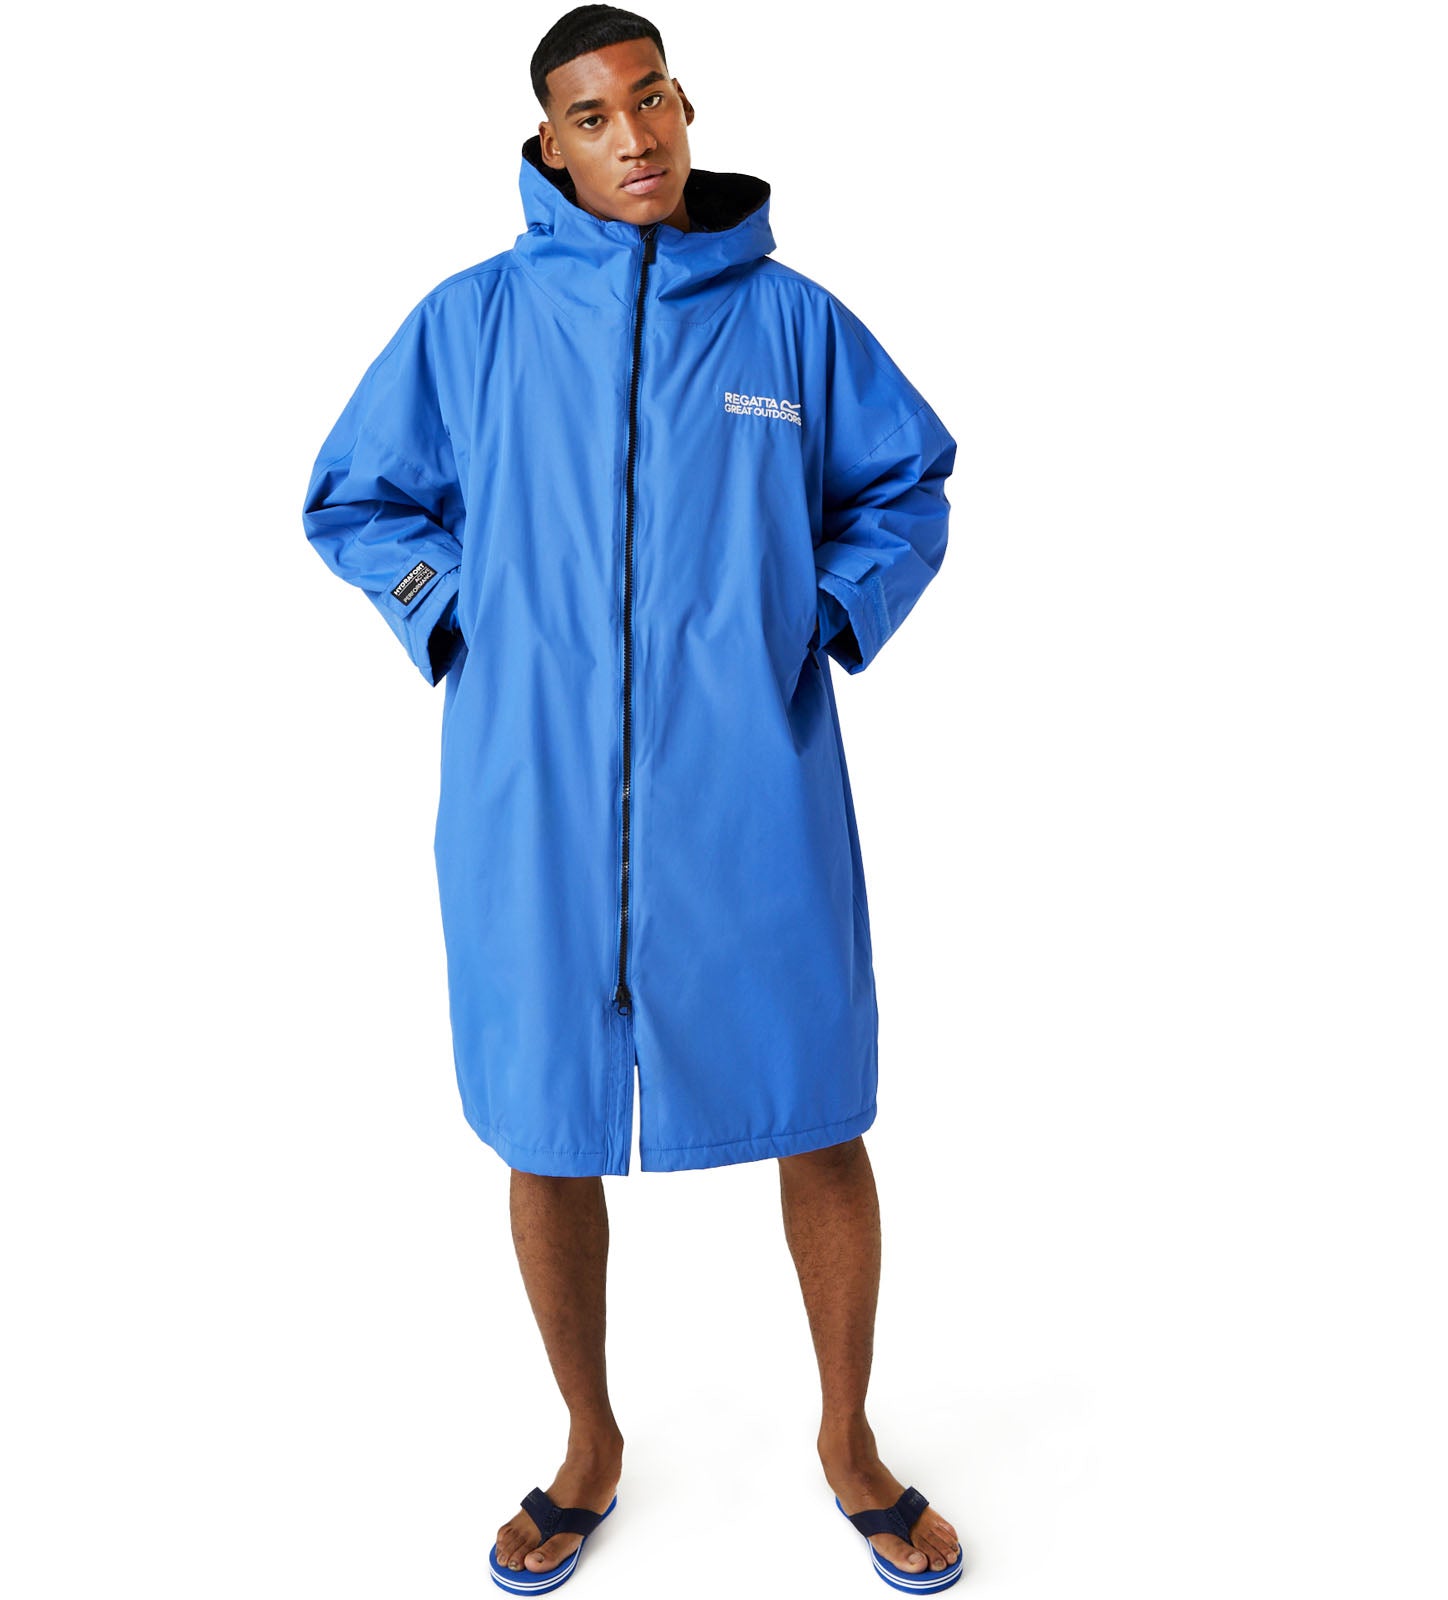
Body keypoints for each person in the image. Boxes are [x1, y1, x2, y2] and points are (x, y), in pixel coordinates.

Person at [301, 6, 962, 1590]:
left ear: (684, 104)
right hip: (528, 795)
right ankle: (588, 1442)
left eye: (650, 100)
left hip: (754, 785)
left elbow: (907, 481)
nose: (635, 137)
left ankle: (850, 1440)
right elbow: (354, 496)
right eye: (593, 118)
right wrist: (457, 610)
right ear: (550, 145)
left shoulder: (793, 326)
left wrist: (820, 612)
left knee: (820, 1105)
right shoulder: (472, 323)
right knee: (546, 1120)